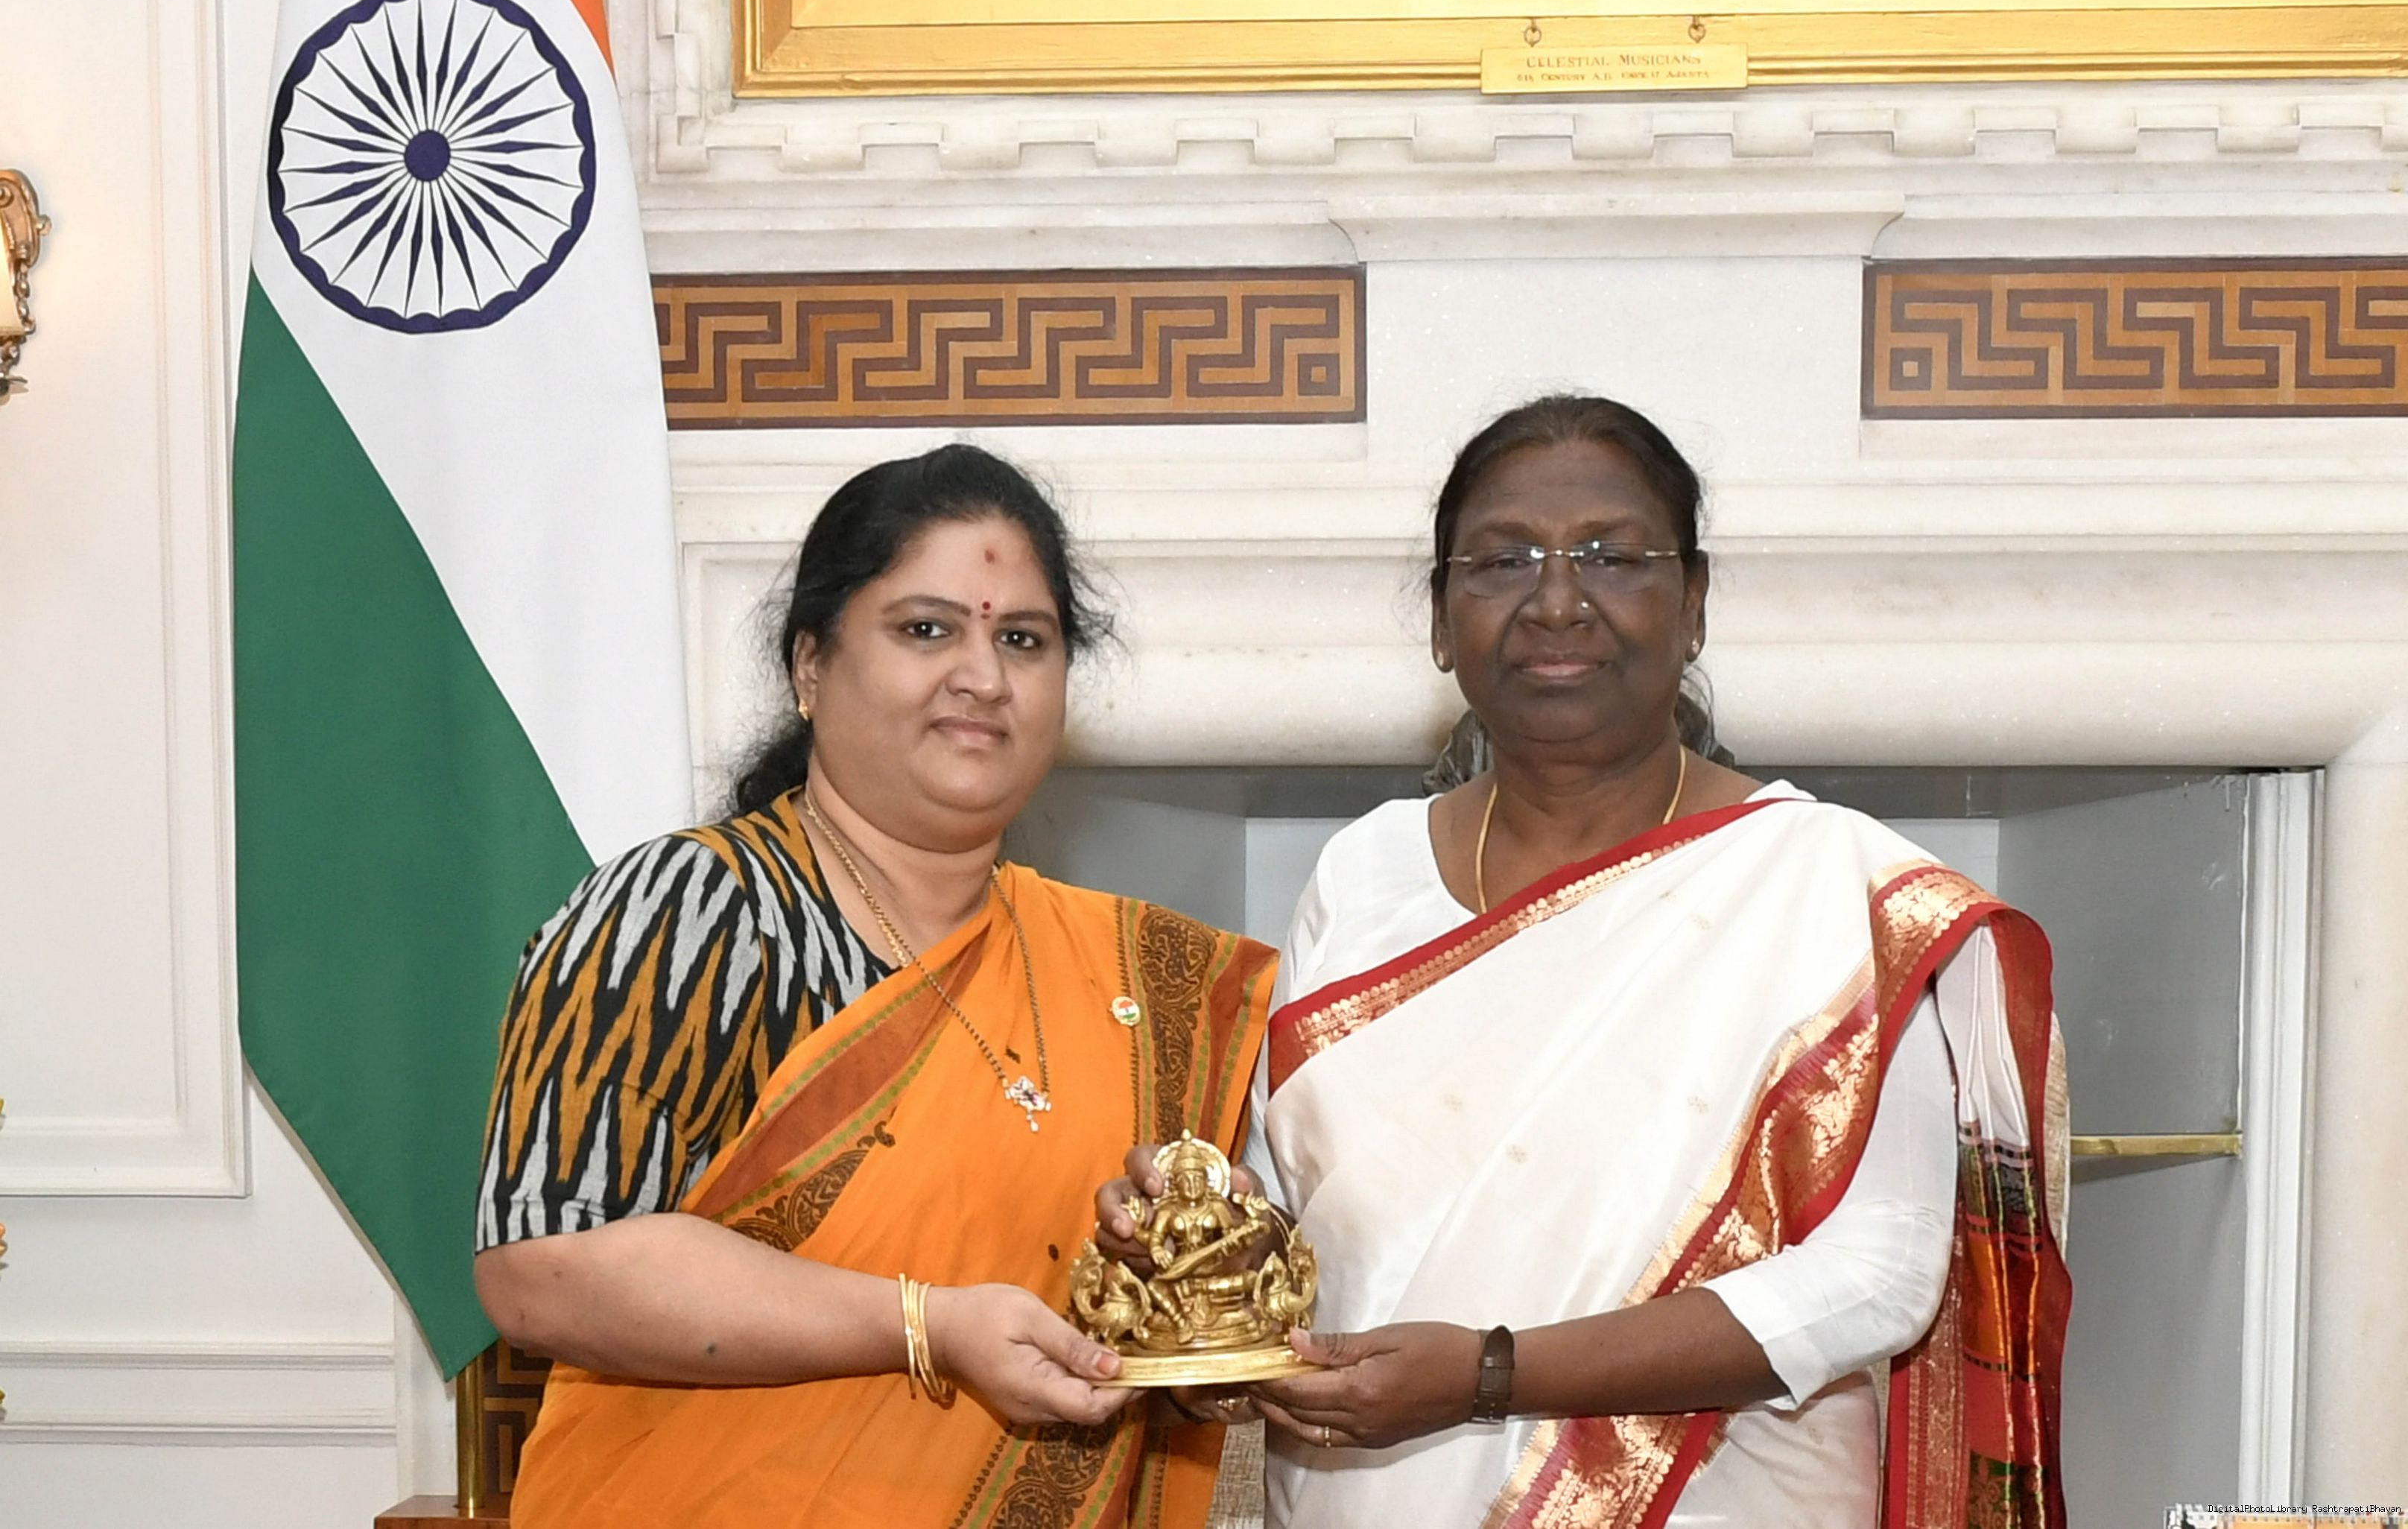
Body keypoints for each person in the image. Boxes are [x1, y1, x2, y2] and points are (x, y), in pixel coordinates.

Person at [1097, 394, 2069, 1528]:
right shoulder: (1364, 871)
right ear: (1440, 619)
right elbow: (1306, 1195)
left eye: (1612, 556)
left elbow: (1881, 1275)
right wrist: (1198, 1240)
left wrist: (1492, 1373)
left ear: (1693, 605)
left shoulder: (1830, 887)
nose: (1556, 601)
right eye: (1502, 560)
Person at [473, 445, 1279, 1528]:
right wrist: (925, 1326)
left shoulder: (1130, 979)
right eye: (927, 629)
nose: (983, 677)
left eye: (1023, 640)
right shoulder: (694, 909)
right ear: (810, 666)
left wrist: (1172, 1290)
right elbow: (545, 1264)